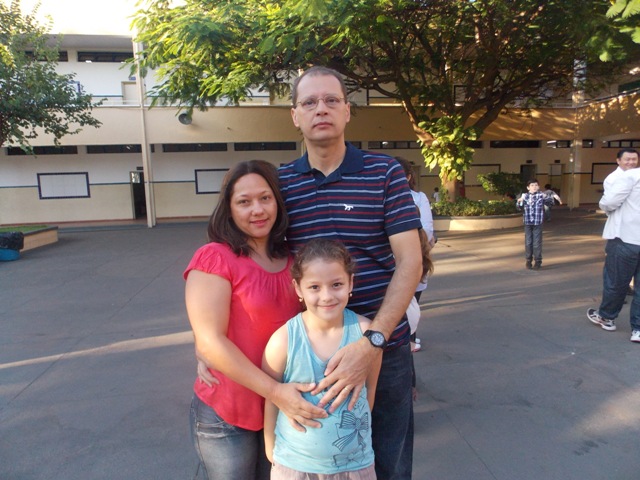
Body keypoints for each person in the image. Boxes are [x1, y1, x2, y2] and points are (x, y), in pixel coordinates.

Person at [279, 66, 423, 479]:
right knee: (317, 464)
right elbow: (255, 263)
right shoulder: (281, 183)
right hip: (310, 357)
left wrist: (372, 342)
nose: (320, 109)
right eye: (309, 102)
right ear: (295, 116)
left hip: (385, 349)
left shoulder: (384, 173)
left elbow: (410, 261)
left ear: (347, 110)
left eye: (331, 100)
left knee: (389, 463)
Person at [184, 160, 326, 480]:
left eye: (265, 198)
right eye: (244, 202)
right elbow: (210, 340)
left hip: (283, 409)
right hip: (228, 412)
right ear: (229, 209)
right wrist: (275, 392)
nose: (257, 210)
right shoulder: (215, 257)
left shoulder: (294, 260)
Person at [263, 239, 381, 479]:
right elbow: (271, 398)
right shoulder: (283, 340)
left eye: (336, 284)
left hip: (357, 465)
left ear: (350, 283)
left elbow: (370, 390)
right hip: (293, 466)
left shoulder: (365, 335)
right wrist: (270, 448)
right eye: (314, 287)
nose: (326, 296)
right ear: (298, 288)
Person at [587, 148, 640, 342]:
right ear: (618, 160)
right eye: (627, 159)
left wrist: (606, 206)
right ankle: (638, 329)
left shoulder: (628, 177)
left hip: (625, 238)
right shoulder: (618, 177)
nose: (631, 162)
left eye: (634, 159)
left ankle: (607, 317)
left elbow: (609, 203)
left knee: (616, 281)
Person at [395, 156, 436, 352]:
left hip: (415, 256)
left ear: (408, 177)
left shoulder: (419, 198)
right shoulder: (381, 197)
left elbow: (427, 229)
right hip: (390, 260)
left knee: (412, 303)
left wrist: (414, 246)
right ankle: (404, 340)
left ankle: (410, 337)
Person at [516, 178, 554, 270]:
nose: (534, 187)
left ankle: (538, 261)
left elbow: (551, 203)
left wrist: (548, 197)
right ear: (528, 187)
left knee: (537, 243)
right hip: (528, 223)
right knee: (528, 242)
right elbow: (518, 208)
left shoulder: (541, 195)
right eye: (532, 185)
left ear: (538, 187)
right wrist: (519, 202)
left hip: (537, 222)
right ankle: (528, 260)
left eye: (536, 185)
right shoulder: (525, 196)